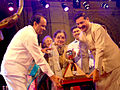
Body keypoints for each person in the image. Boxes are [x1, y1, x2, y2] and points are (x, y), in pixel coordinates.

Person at [1, 14, 62, 90]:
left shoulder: (28, 32)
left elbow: (26, 50)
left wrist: (40, 50)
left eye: (45, 26)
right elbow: (39, 59)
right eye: (42, 26)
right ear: (35, 24)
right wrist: (52, 76)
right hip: (14, 71)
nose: (44, 29)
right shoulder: (30, 34)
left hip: (15, 70)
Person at [74, 12, 120, 90]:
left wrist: (97, 70)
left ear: (87, 19)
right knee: (99, 87)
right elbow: (84, 55)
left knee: (113, 88)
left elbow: (100, 49)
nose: (80, 26)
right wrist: (85, 73)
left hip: (113, 62)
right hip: (101, 64)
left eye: (82, 22)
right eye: (78, 24)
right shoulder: (81, 36)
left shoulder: (97, 28)